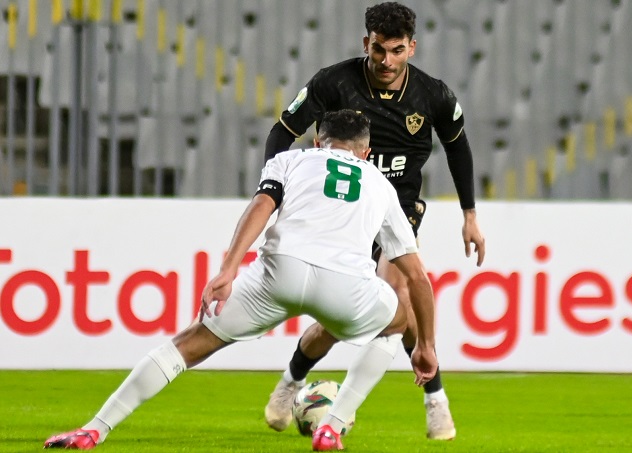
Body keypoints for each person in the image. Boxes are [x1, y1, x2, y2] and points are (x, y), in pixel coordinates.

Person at [43, 110, 439, 451]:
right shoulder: (382, 186)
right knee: (396, 321)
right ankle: (332, 428)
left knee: (188, 344)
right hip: (346, 285)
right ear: (367, 153)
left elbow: (262, 205)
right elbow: (417, 277)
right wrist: (425, 346)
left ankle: (94, 429)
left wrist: (229, 268)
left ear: (319, 142)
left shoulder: (292, 160)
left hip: (280, 271)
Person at [263, 1, 486, 441]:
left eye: (397, 51)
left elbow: (458, 148)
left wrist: (470, 215)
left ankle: (431, 400)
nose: (387, 61)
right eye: (379, 50)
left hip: (397, 209)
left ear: (412, 48)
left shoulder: (433, 96)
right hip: (342, 211)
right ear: (366, 43)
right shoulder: (334, 82)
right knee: (338, 320)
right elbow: (282, 131)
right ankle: (291, 382)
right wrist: (272, 192)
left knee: (398, 300)